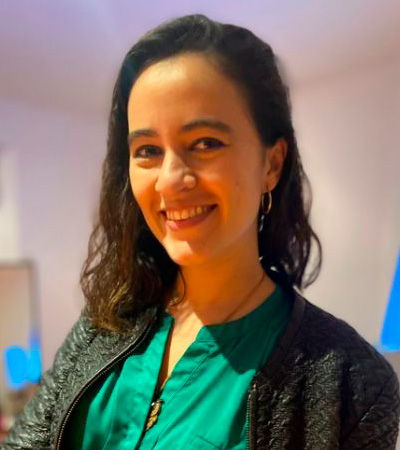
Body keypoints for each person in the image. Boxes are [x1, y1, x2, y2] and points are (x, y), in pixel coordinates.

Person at [2, 13, 399, 450]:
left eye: (205, 143)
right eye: (147, 150)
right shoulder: (104, 323)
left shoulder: (351, 385)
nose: (170, 180)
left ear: (271, 163)